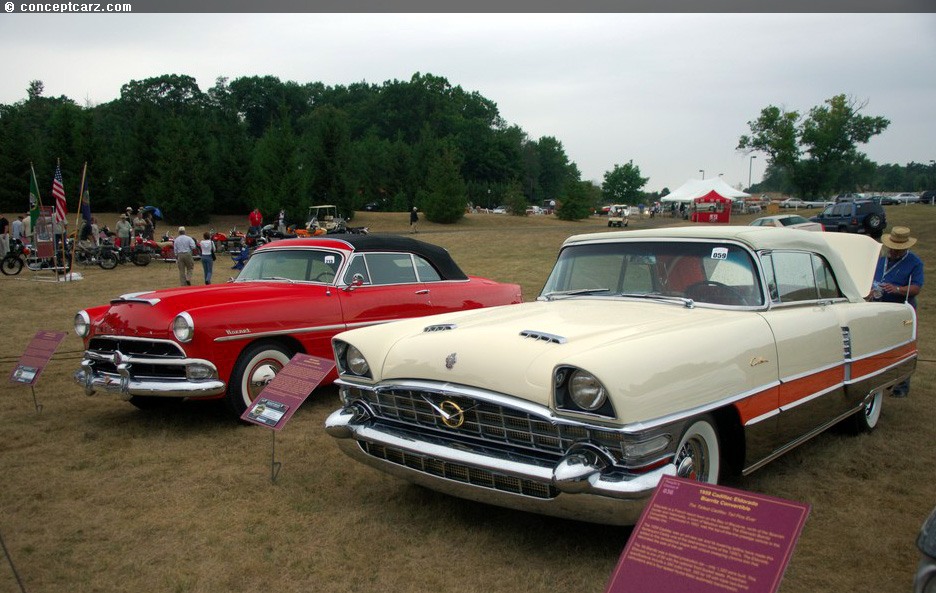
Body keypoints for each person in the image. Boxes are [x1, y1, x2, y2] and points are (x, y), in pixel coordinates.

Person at [872, 226, 924, 397]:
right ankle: (883, 381)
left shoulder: (915, 263)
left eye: (898, 250)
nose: (894, 252)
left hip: (901, 310)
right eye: (892, 248)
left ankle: (901, 386)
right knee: (879, 345)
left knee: (902, 347)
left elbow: (916, 288)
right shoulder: (881, 261)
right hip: (880, 309)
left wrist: (897, 289)